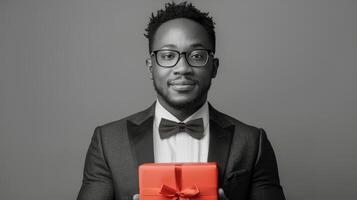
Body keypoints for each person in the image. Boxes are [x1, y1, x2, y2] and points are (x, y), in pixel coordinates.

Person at [77, 2, 285, 200]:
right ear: (151, 67)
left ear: (213, 67)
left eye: (196, 56)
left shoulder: (251, 142)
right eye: (168, 56)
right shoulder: (109, 142)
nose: (182, 68)